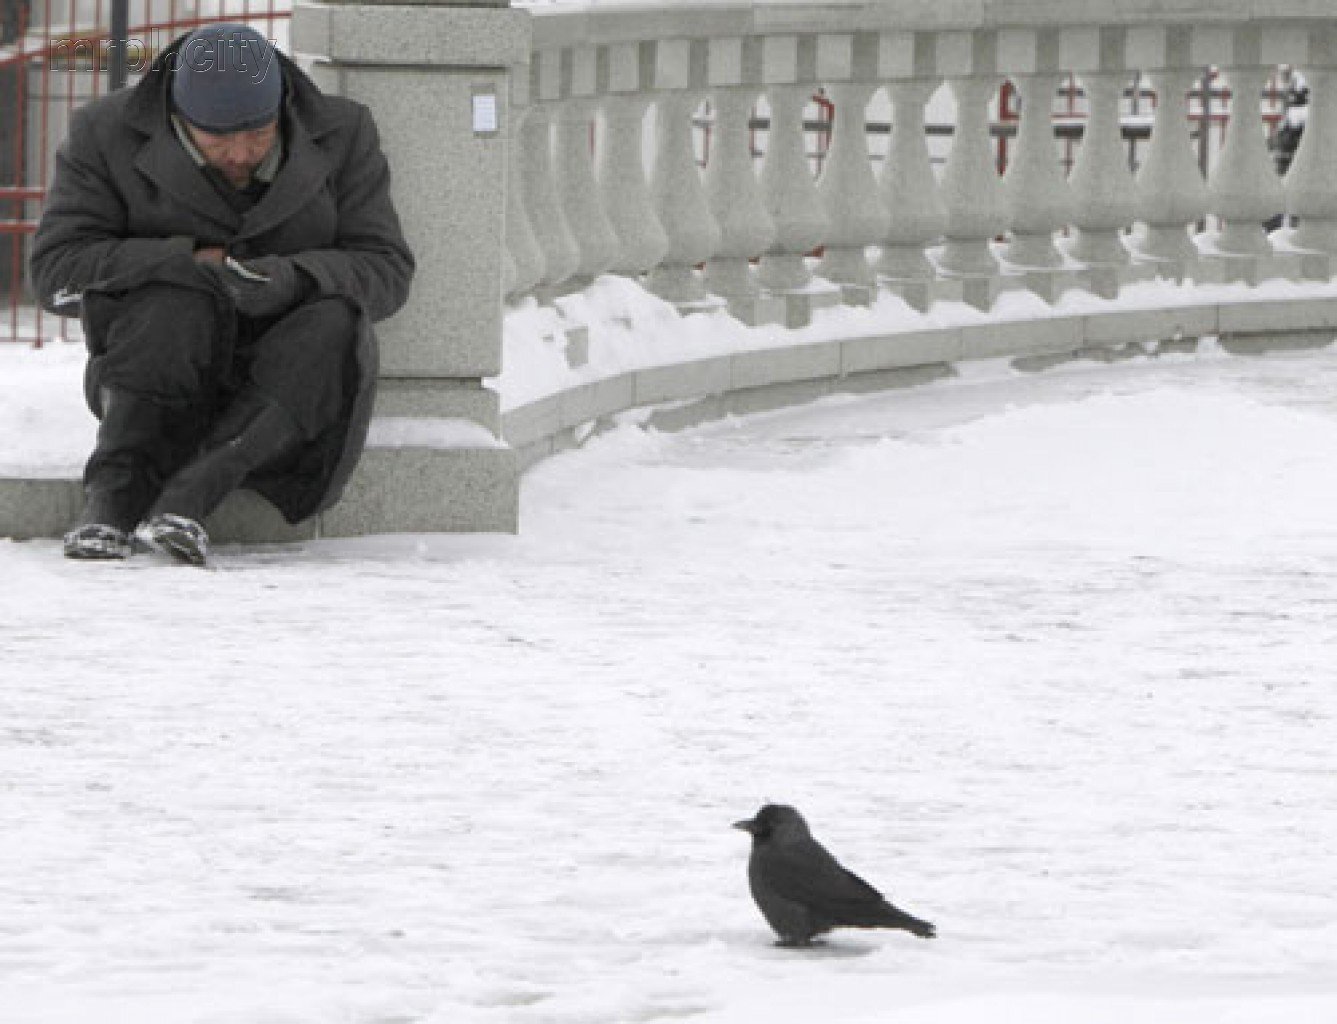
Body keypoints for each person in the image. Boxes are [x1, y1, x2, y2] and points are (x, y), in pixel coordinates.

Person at [30, 23, 414, 565]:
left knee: (337, 321)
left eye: (258, 136)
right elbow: (55, 270)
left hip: (285, 387)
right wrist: (185, 264)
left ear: (281, 106)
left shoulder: (345, 131)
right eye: (217, 141)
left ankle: (191, 497)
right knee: (173, 299)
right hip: (154, 366)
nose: (240, 154)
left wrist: (292, 278)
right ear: (178, 119)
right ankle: (112, 499)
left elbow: (387, 268)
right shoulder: (103, 131)